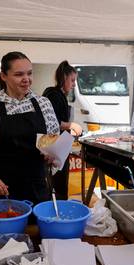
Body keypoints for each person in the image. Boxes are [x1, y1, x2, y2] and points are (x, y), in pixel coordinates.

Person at [0, 51, 60, 206]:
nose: (26, 80)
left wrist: (53, 157)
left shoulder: (44, 104)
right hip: (1, 194)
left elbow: (54, 146)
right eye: (18, 74)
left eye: (29, 73)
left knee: (36, 231)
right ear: (3, 76)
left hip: (37, 193)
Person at [42, 60, 83, 199]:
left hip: (59, 146)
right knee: (57, 186)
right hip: (53, 148)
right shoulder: (53, 94)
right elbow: (51, 122)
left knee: (59, 184)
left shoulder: (58, 95)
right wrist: (71, 125)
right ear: (64, 78)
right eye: (72, 80)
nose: (74, 84)